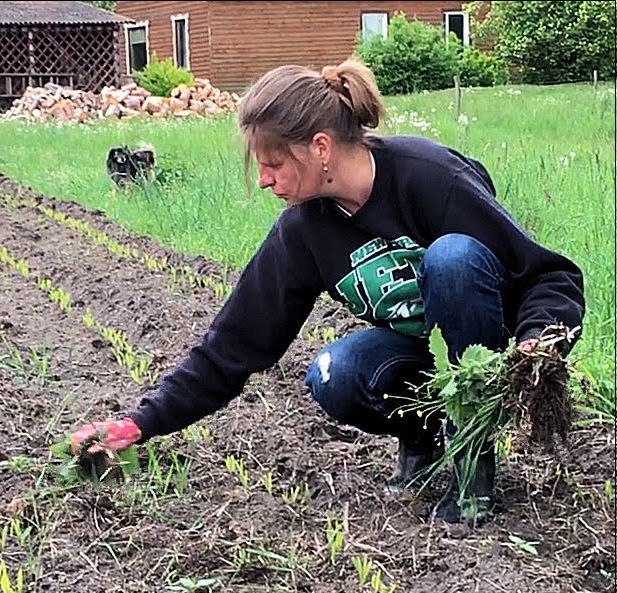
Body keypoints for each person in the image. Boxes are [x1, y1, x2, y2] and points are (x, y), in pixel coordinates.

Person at [68, 57, 586, 524]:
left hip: (485, 352)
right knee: (333, 373)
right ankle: (424, 442)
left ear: (319, 147)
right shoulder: (303, 231)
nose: (265, 180)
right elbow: (235, 342)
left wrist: (538, 342)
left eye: (273, 164)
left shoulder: (429, 178)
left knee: (452, 257)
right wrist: (138, 424)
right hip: (419, 357)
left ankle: (474, 464)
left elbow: (549, 275)